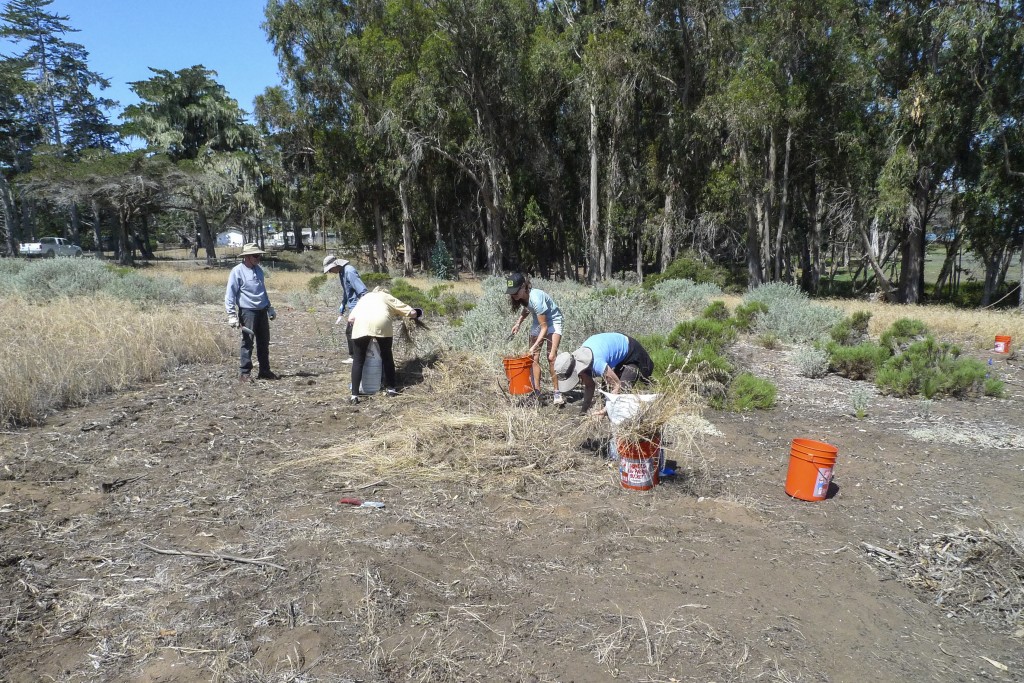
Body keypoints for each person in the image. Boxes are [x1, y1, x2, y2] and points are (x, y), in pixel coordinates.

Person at [346, 288, 423, 405]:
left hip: (361, 325)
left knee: (358, 360)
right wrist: (418, 313)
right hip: (382, 324)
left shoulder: (364, 298)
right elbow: (411, 312)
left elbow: (351, 318)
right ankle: (391, 389)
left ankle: (354, 395)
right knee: (387, 356)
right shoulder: (386, 296)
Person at [554, 333, 654, 414]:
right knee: (605, 392)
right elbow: (589, 386)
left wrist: (604, 411)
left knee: (622, 393)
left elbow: (617, 385)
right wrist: (583, 411)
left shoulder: (596, 363)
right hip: (617, 356)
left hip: (632, 352)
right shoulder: (580, 362)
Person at [507, 273, 566, 406]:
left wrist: (533, 347)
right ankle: (536, 392)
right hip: (538, 322)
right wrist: (518, 323)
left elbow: (544, 328)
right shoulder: (523, 297)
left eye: (515, 291)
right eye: (511, 293)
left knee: (551, 357)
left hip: (553, 322)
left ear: (523, 287)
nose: (513, 295)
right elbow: (528, 309)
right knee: (533, 357)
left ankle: (557, 392)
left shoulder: (536, 298)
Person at [225, 243, 277, 382]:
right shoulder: (237, 271)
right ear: (247, 256)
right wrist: (231, 314)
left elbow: (262, 291)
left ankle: (265, 371)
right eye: (255, 255)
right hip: (247, 312)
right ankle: (244, 373)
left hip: (262, 311)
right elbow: (230, 294)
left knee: (264, 342)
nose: (258, 257)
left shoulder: (259, 270)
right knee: (247, 342)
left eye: (259, 255)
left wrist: (269, 307)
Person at [323, 253, 368, 364]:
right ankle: (357, 356)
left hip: (358, 307)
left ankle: (357, 357)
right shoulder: (342, 272)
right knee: (351, 332)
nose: (330, 272)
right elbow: (347, 291)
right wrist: (343, 304)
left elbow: (363, 291)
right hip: (352, 306)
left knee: (352, 332)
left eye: (330, 269)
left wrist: (360, 309)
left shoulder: (349, 271)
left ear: (335, 265)